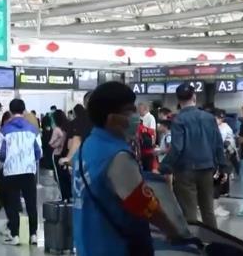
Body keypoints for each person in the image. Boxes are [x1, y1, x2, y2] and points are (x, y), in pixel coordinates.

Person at [72, 82, 183, 256]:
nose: (135, 117)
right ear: (111, 118)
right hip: (114, 246)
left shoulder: (86, 147)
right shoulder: (117, 156)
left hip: (88, 244)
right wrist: (173, 231)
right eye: (129, 111)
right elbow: (143, 204)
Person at [159, 84, 226, 229]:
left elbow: (177, 147)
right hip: (207, 168)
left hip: (185, 171)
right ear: (194, 97)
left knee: (189, 212)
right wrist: (223, 166)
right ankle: (213, 239)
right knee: (208, 210)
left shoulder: (178, 120)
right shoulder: (209, 118)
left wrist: (164, 166)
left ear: (178, 100)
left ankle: (193, 240)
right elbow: (218, 143)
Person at [0, 98, 42, 246]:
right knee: (31, 203)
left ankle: (15, 235)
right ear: (24, 111)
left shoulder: (4, 130)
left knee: (12, 204)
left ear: (10, 111)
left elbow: (1, 154)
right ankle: (33, 235)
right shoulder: (33, 129)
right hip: (28, 171)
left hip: (11, 172)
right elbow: (38, 152)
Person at [50, 109, 72, 202]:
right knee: (66, 176)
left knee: (59, 177)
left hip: (57, 154)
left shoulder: (57, 129)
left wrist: (55, 142)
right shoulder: (67, 127)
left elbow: (52, 143)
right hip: (66, 154)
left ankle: (64, 197)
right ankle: (69, 196)